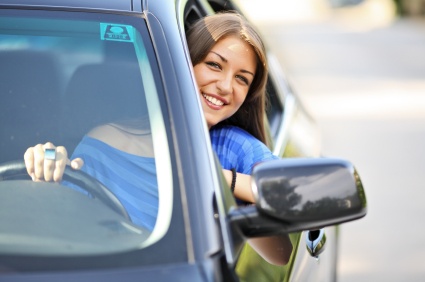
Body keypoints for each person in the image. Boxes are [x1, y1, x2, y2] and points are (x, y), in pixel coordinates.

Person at [24, 12, 292, 265]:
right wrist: (47, 174)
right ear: (184, 64)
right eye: (214, 65)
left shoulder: (234, 147)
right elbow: (66, 237)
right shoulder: (104, 142)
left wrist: (221, 180)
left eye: (242, 79)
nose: (225, 86)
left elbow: (280, 249)